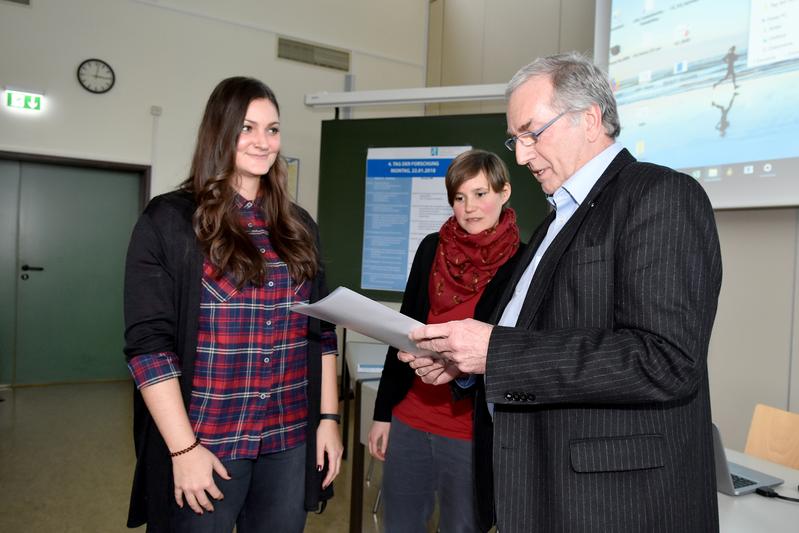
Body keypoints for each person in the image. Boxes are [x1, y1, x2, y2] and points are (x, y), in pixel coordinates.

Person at [402, 53, 722, 532]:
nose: (523, 155)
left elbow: (665, 359)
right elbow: (537, 337)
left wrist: (494, 351)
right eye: (515, 139)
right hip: (542, 491)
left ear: (590, 119)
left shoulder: (661, 195)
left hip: (614, 507)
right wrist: (463, 362)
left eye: (533, 133)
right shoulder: (559, 216)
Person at [123, 76, 343, 533]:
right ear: (220, 132)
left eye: (273, 129)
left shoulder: (299, 227)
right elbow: (150, 349)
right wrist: (183, 450)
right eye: (247, 128)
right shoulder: (171, 221)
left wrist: (328, 420)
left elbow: (322, 332)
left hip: (287, 437)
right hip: (208, 440)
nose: (263, 142)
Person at [368, 149, 522, 533]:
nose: (469, 208)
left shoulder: (523, 262)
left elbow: (514, 353)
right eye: (459, 197)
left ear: (504, 193)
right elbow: (401, 330)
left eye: (480, 194)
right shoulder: (431, 247)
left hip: (471, 432)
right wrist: (383, 412)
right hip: (411, 417)